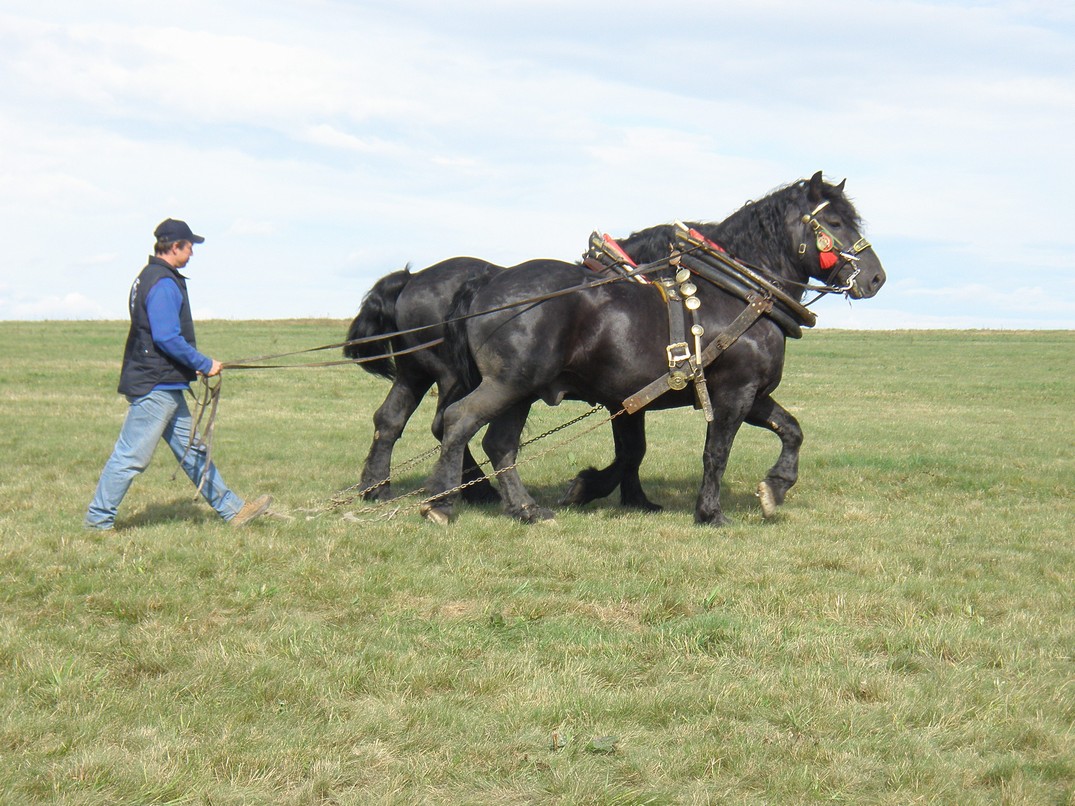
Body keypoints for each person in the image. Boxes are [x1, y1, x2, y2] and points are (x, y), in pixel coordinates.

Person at [84, 218, 272, 531]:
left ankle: (233, 510)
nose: (192, 254)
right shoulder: (163, 283)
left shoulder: (150, 277)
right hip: (156, 385)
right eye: (189, 247)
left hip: (164, 382)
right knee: (131, 457)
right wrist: (202, 361)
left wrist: (193, 364)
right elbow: (167, 337)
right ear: (175, 247)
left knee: (193, 451)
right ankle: (97, 522)